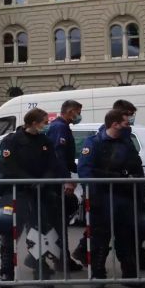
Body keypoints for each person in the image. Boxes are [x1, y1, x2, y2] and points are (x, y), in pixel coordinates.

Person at [78, 108, 145, 288]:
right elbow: (85, 171)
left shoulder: (126, 143)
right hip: (103, 197)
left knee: (128, 238)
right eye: (126, 122)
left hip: (125, 197)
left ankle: (131, 276)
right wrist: (93, 194)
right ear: (115, 124)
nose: (129, 125)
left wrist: (141, 193)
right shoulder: (94, 142)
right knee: (100, 237)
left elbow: (137, 169)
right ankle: (98, 275)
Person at [0, 108, 59, 286]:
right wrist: (31, 181)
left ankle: (41, 271)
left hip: (39, 192)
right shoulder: (12, 140)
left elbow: (52, 165)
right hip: (15, 191)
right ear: (34, 123)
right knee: (9, 229)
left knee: (41, 231)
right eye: (45, 122)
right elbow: (9, 167)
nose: (47, 125)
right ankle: (7, 271)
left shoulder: (45, 141)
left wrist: (44, 181)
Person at [44, 100, 84, 273]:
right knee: (58, 221)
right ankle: (62, 260)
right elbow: (58, 156)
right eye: (77, 112)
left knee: (59, 221)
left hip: (57, 179)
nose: (78, 116)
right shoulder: (59, 127)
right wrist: (66, 179)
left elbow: (66, 159)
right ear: (70, 111)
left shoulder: (63, 127)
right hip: (55, 182)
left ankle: (62, 259)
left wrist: (81, 170)